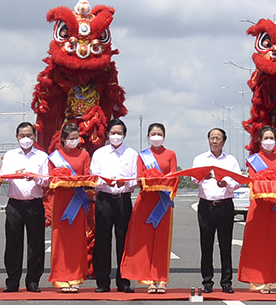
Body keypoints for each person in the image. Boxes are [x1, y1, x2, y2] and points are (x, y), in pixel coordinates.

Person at [121, 122, 179, 293]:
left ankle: (161, 279)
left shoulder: (171, 154)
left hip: (163, 202)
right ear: (148, 136)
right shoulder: (142, 156)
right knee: (145, 242)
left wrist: (160, 182)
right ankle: (148, 280)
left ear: (164, 136)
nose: (156, 137)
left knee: (162, 241)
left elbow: (174, 177)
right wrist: (150, 180)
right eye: (153, 134)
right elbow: (139, 179)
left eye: (159, 133)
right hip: (146, 201)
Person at [240, 125, 276, 293]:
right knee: (258, 243)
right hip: (259, 206)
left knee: (274, 244)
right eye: (266, 138)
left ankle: (273, 281)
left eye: (271, 138)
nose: (269, 141)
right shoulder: (253, 160)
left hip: (274, 207)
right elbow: (254, 181)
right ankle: (258, 281)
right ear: (260, 141)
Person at [0, 121, 49, 292]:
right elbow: (3, 177)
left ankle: (33, 281)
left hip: (34, 203)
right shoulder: (11, 155)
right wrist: (17, 174)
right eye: (22, 136)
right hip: (15, 204)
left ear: (34, 137)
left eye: (29, 135)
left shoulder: (42, 156)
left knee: (36, 244)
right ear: (17, 137)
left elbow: (46, 180)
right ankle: (12, 281)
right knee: (13, 243)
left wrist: (34, 177)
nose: (26, 139)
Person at [90, 119, 138, 293]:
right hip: (104, 199)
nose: (116, 136)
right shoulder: (99, 154)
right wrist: (106, 182)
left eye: (119, 133)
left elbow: (134, 179)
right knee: (102, 241)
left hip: (123, 199)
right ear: (108, 134)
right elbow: (93, 177)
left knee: (124, 241)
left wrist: (123, 185)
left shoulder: (132, 154)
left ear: (124, 135)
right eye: (113, 133)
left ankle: (124, 281)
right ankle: (102, 282)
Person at [192, 128, 242, 293]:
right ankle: (207, 281)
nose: (214, 141)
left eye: (218, 138)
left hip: (225, 205)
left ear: (223, 141)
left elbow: (238, 181)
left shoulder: (231, 160)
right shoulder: (200, 159)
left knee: (225, 244)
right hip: (206, 206)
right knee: (206, 245)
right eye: (212, 138)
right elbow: (193, 179)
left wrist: (226, 184)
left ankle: (226, 282)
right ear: (208, 140)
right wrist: (202, 177)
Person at [47, 122, 93, 292]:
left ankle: (75, 277)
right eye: (70, 138)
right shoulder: (54, 157)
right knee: (60, 241)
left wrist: (73, 180)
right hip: (61, 201)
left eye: (76, 138)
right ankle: (61, 277)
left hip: (77, 201)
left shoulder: (84, 155)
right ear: (63, 139)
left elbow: (87, 178)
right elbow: (51, 181)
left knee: (76, 241)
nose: (74, 141)